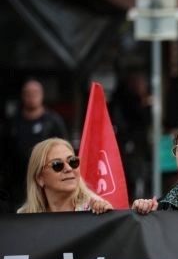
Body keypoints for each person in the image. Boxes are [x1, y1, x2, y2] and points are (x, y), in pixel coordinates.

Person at [4, 79, 68, 208]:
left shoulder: (53, 121)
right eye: (28, 94)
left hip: (46, 181)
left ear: (42, 95)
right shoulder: (13, 123)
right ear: (23, 96)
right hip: (18, 183)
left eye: (35, 93)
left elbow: (65, 150)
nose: (31, 97)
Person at [17, 138, 112, 214]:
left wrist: (107, 214)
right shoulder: (25, 217)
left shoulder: (96, 211)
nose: (69, 168)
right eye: (57, 165)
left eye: (72, 161)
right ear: (40, 178)